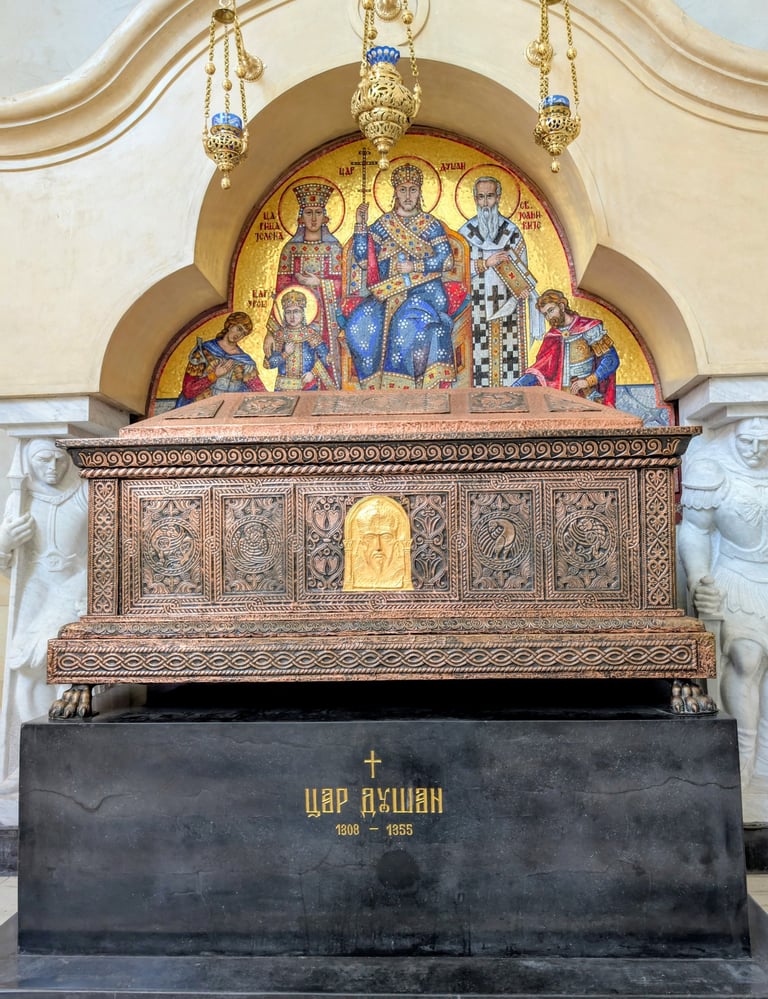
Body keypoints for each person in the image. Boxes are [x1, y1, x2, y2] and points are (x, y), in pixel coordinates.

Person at [678, 417, 768, 822]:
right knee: (747, 659)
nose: (755, 450)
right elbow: (694, 531)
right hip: (737, 575)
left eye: (763, 443)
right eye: (748, 440)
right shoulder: (710, 470)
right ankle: (743, 763)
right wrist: (699, 578)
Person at [0, 438, 88, 813]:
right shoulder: (20, 497)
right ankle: (27, 761)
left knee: (60, 657)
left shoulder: (85, 492)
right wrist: (4, 543)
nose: (51, 468)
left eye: (57, 459)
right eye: (42, 460)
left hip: (77, 581)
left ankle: (71, 758)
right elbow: (7, 563)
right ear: (29, 462)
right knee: (27, 661)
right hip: (37, 582)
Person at [342, 163, 458, 390]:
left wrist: (415, 265)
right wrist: (360, 225)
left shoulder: (430, 225)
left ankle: (402, 389)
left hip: (424, 292)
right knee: (359, 326)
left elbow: (446, 260)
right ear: (394, 192)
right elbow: (363, 258)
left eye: (413, 190)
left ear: (420, 193)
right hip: (386, 294)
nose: (407, 195)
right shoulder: (383, 225)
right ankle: (375, 389)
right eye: (403, 189)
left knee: (405, 323)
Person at [458, 176, 539, 386]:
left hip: (508, 306)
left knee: (509, 356)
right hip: (475, 307)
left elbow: (522, 270)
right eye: (481, 197)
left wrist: (523, 290)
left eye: (490, 197)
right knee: (477, 356)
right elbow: (456, 273)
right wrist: (485, 263)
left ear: (499, 197)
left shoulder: (511, 233)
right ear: (475, 199)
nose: (485, 203)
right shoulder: (465, 235)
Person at [275, 182, 343, 387]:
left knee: (324, 353)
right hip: (295, 315)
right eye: (309, 213)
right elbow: (280, 289)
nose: (313, 218)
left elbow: (342, 286)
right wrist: (272, 333)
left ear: (325, 217)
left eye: (318, 212)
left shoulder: (334, 248)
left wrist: (319, 283)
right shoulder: (290, 249)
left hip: (327, 316)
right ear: (300, 218)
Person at [514, 289, 619, 406]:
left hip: (586, 395)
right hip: (558, 400)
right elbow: (539, 371)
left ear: (562, 306)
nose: (549, 317)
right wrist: (515, 387)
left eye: (551, 310)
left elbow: (611, 359)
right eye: (545, 314)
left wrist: (588, 381)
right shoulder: (551, 338)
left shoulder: (588, 328)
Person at [175, 311, 266, 407]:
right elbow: (188, 391)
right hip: (202, 410)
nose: (238, 335)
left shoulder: (245, 361)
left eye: (243, 333)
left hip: (229, 411)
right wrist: (214, 375)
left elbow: (259, 390)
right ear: (230, 325)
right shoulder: (204, 352)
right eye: (238, 329)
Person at [264, 290, 336, 391]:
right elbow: (268, 364)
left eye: (296, 311)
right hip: (282, 387)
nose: (292, 316)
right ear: (284, 314)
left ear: (303, 313)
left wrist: (313, 373)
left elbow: (326, 357)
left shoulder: (311, 334)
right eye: (288, 312)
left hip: (307, 386)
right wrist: (285, 354)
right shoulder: (279, 335)